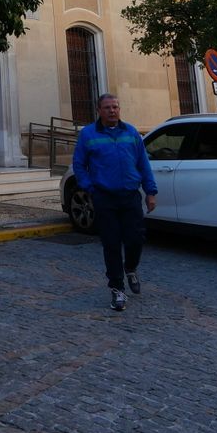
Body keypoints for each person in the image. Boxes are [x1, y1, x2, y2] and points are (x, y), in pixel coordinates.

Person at [71, 93, 157, 312]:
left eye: (115, 107)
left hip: (130, 195)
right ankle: (117, 288)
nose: (112, 111)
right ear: (99, 110)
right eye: (107, 107)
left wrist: (150, 191)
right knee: (111, 243)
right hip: (104, 197)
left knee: (136, 239)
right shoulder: (88, 135)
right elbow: (79, 165)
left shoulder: (131, 133)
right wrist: (90, 187)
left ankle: (130, 268)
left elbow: (143, 164)